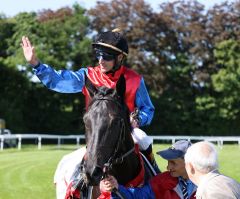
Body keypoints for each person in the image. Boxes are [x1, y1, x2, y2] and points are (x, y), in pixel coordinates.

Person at [21, 29, 159, 171]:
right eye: (98, 55)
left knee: (143, 139)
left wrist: (138, 119)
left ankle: (155, 173)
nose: (100, 61)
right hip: (96, 135)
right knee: (70, 169)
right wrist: (36, 64)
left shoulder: (135, 80)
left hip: (127, 134)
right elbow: (59, 80)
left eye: (106, 56)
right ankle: (72, 192)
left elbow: (148, 109)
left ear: (119, 58)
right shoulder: (88, 75)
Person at [100, 140, 197, 199]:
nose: (168, 167)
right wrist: (117, 187)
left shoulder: (208, 182)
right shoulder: (161, 181)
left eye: (173, 163)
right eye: (168, 162)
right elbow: (137, 196)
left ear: (188, 163)